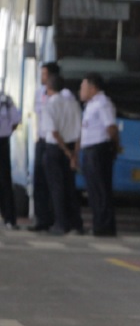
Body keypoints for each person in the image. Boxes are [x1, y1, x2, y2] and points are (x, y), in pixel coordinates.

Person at [77, 73, 119, 237]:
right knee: (93, 190)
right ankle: (98, 224)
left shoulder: (103, 103)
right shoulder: (91, 104)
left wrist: (115, 147)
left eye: (83, 87)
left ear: (92, 88)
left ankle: (105, 226)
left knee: (101, 189)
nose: (81, 90)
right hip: (90, 150)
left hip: (99, 150)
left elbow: (111, 128)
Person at [42, 73, 83, 235]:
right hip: (72, 147)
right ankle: (76, 224)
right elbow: (80, 131)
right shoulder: (73, 103)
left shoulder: (49, 106)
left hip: (56, 149)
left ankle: (61, 223)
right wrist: (74, 154)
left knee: (57, 188)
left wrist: (66, 151)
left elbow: (54, 133)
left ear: (48, 87)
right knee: (70, 187)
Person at [28, 61, 60, 232]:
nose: (42, 77)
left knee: (53, 182)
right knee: (38, 181)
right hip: (41, 140)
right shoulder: (39, 93)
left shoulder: (61, 96)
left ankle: (55, 219)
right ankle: (41, 220)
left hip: (54, 141)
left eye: (44, 74)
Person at [0, 88, 20, 229]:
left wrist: (6, 132)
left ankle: (9, 218)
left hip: (2, 141)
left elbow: (16, 120)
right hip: (3, 141)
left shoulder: (5, 100)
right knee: (4, 181)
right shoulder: (6, 99)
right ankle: (9, 219)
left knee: (4, 181)